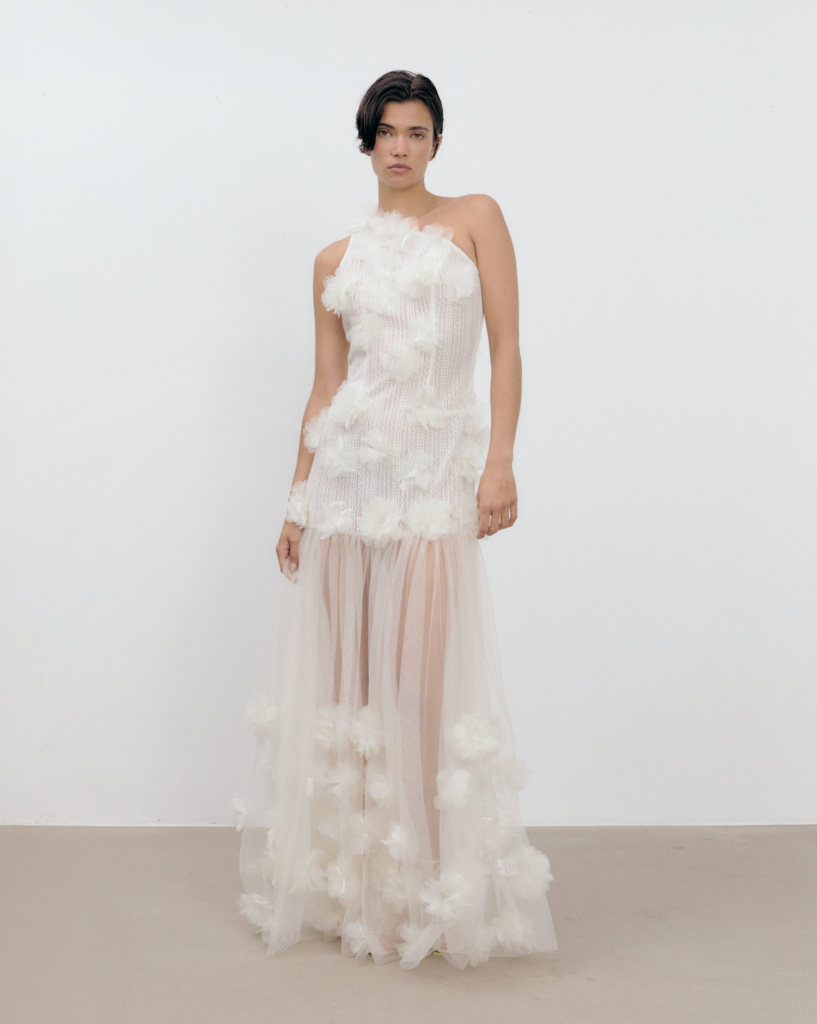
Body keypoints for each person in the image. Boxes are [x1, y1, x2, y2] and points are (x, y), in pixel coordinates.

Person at [235, 70, 557, 970]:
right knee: (353, 696)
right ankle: (366, 895)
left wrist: (498, 462)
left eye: (417, 132)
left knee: (417, 692)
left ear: (437, 143)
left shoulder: (475, 219)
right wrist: (297, 501)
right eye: (387, 132)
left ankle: (432, 888)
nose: (401, 147)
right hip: (346, 486)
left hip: (429, 486)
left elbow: (507, 348)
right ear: (367, 143)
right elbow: (325, 388)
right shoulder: (333, 261)